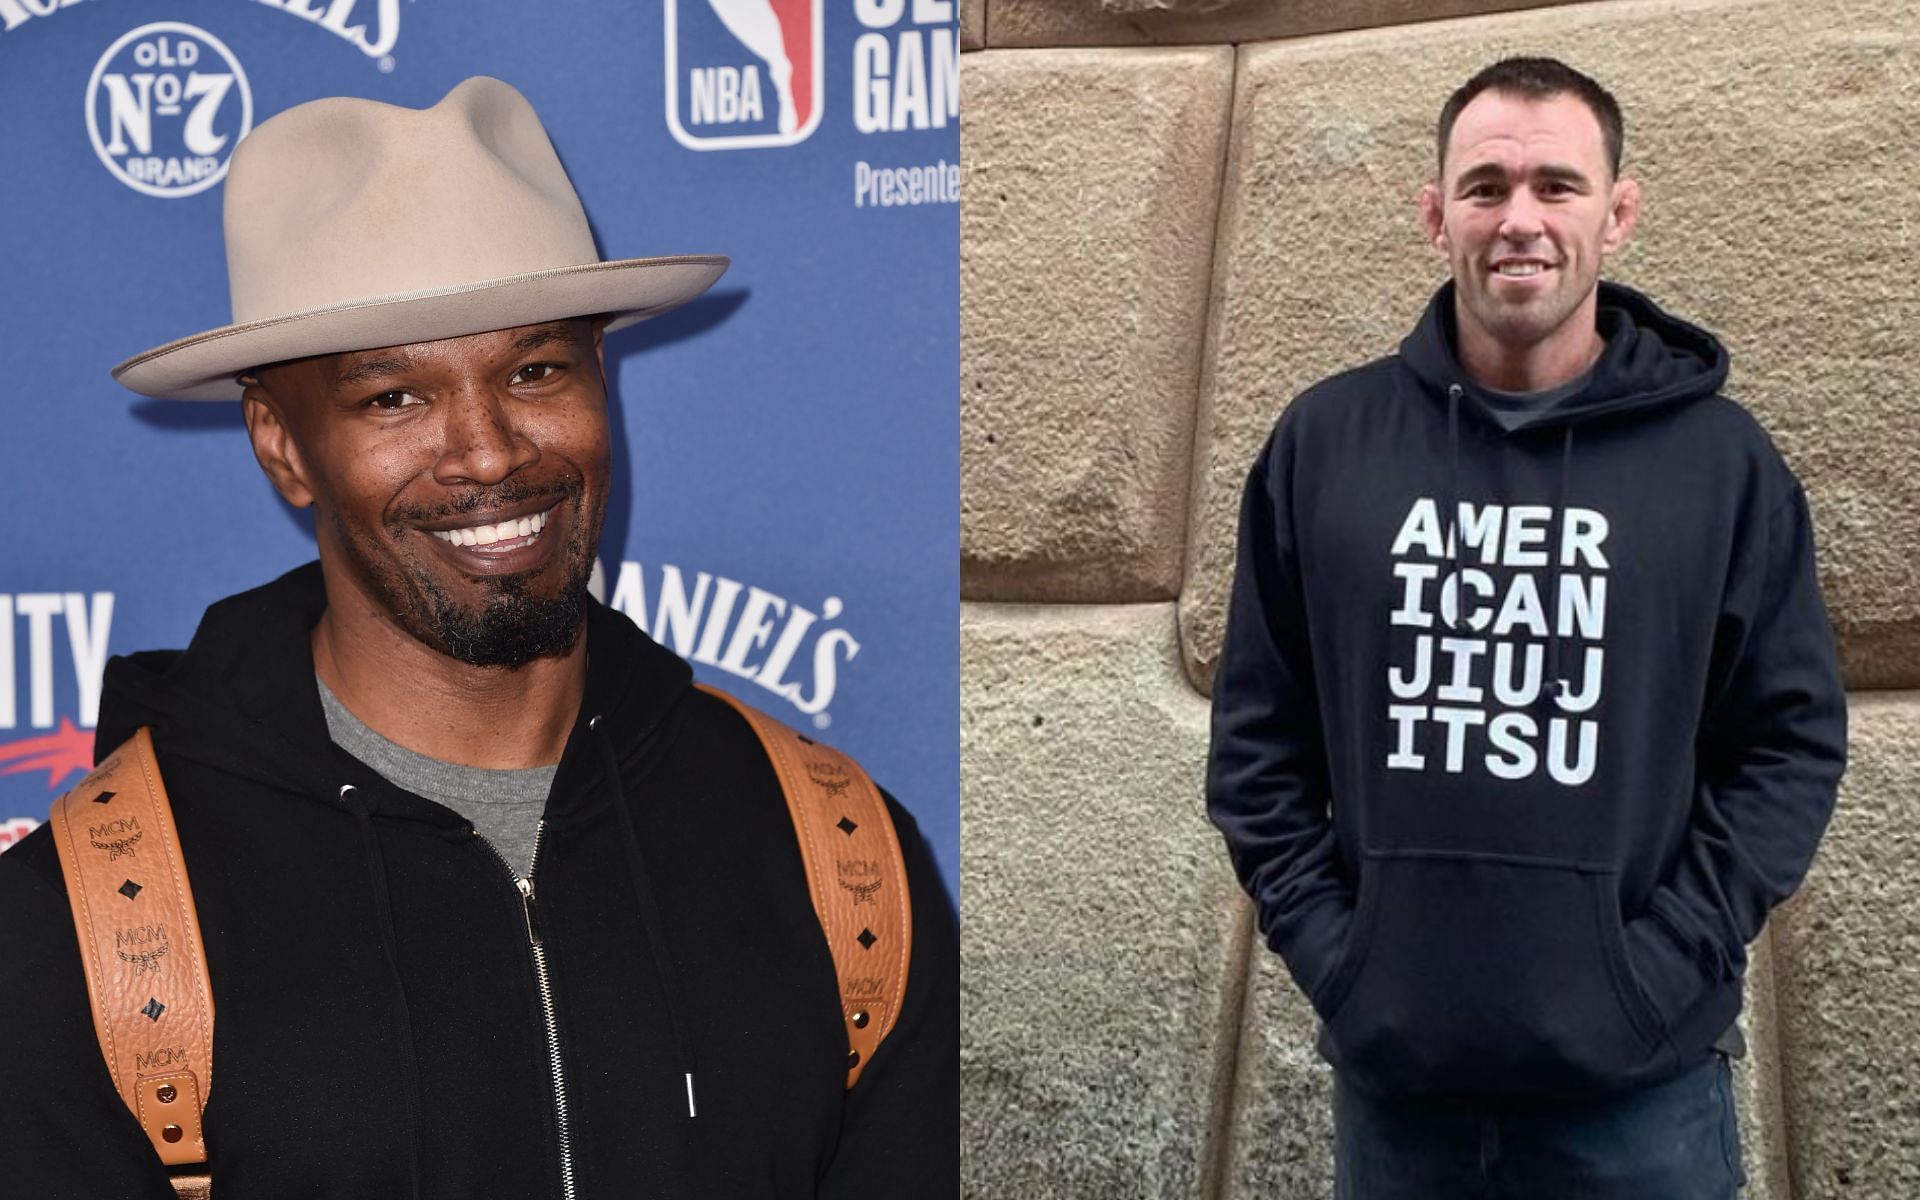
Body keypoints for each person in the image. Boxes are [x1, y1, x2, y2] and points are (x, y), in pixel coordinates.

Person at [0, 77, 957, 1198]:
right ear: (282, 444)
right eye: (394, 398)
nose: (491, 453)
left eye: (535, 371)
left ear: (603, 379)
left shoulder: (842, 856)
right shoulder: (79, 930)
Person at [1205, 57, 1845, 1199]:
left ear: (1619, 211)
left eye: (1557, 184)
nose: (1521, 220)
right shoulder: (1326, 446)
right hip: (1400, 1105)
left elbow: (1788, 746)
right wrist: (1349, 968)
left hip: (1642, 1103)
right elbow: (1257, 748)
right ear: (1434, 212)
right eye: (1487, 185)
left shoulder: (1721, 467)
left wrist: (1654, 973)